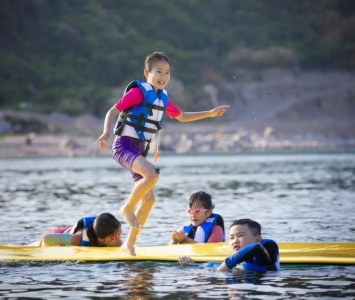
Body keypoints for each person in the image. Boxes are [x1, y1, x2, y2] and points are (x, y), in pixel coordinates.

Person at [96, 51, 229, 255]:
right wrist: (105, 132)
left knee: (149, 200)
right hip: (123, 146)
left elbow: (182, 116)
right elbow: (112, 111)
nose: (163, 76)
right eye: (158, 71)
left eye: (167, 72)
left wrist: (210, 113)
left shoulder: (162, 98)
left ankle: (129, 244)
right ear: (147, 73)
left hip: (139, 151)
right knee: (152, 175)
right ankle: (127, 208)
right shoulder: (139, 93)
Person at [178, 218, 281, 271]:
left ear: (257, 239)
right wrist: (194, 265)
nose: (235, 241)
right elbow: (214, 265)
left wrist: (226, 265)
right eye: (231, 238)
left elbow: (257, 247)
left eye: (240, 235)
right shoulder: (240, 262)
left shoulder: (263, 256)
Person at [39, 213, 123, 247]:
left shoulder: (109, 234)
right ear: (100, 239)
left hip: (75, 228)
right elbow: (46, 238)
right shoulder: (77, 239)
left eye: (119, 233)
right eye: (113, 237)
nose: (118, 239)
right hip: (60, 233)